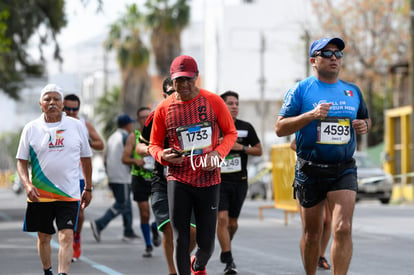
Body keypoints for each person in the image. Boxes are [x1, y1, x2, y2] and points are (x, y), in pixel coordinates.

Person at [275, 37, 370, 275]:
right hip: (310, 169)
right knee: (312, 234)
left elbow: (366, 119)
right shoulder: (301, 90)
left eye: (338, 54)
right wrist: (311, 115)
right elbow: (280, 128)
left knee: (343, 228)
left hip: (343, 168)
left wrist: (363, 125)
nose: (334, 58)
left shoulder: (353, 90)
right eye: (327, 53)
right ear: (313, 60)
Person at [149, 55, 238, 275]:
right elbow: (153, 145)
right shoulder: (164, 108)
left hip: (209, 179)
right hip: (178, 179)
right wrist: (163, 156)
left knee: (207, 243)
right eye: (180, 80)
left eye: (189, 79)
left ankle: (197, 264)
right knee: (180, 238)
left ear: (196, 77)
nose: (185, 85)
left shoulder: (213, 101)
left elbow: (230, 133)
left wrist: (218, 154)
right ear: (172, 81)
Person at [16, 83, 93, 275]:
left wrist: (89, 188)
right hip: (40, 194)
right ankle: (48, 270)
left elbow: (86, 158)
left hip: (69, 193)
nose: (52, 102)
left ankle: (62, 273)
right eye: (47, 99)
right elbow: (21, 161)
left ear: (62, 103)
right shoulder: (31, 128)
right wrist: (27, 185)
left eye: (56, 99)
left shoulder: (76, 126)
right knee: (43, 236)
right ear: (40, 104)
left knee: (66, 235)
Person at [136, 76, 197, 274]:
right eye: (172, 92)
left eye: (181, 90)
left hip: (192, 180)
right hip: (162, 181)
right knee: (169, 229)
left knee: (194, 232)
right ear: (164, 95)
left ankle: (183, 260)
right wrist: (158, 152)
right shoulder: (156, 116)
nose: (177, 95)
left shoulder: (198, 113)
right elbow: (140, 145)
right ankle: (174, 271)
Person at [217, 90, 262, 274]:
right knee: (222, 219)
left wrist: (241, 147)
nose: (234, 106)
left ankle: (226, 243)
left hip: (240, 181)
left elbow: (258, 150)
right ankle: (228, 259)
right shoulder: (213, 128)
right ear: (221, 106)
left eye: (236, 103)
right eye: (230, 103)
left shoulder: (245, 127)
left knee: (232, 224)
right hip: (218, 181)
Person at [63, 94, 105, 262]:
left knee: (79, 214)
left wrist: (85, 142)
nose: (72, 112)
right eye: (68, 109)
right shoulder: (55, 124)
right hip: (59, 178)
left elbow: (100, 144)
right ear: (62, 108)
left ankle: (76, 238)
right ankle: (65, 241)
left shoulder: (83, 125)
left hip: (78, 177)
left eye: (75, 109)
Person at [90, 113, 139, 242]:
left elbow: (104, 156)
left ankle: (128, 231)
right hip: (122, 176)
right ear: (127, 125)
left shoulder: (112, 137)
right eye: (130, 124)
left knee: (126, 203)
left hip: (113, 175)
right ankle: (99, 224)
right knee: (122, 204)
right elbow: (129, 155)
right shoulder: (125, 137)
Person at [122, 106, 161, 257]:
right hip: (139, 178)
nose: (146, 119)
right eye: (142, 117)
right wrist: (135, 160)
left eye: (148, 116)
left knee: (160, 210)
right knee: (144, 213)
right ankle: (148, 245)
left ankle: (155, 227)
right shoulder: (134, 136)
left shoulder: (159, 133)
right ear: (138, 120)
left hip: (157, 177)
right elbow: (124, 158)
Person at [290, 138, 332, 270]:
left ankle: (320, 255)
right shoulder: (309, 123)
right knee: (310, 227)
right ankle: (308, 262)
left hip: (327, 176)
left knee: (327, 221)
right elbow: (293, 144)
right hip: (305, 179)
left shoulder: (332, 125)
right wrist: (312, 153)